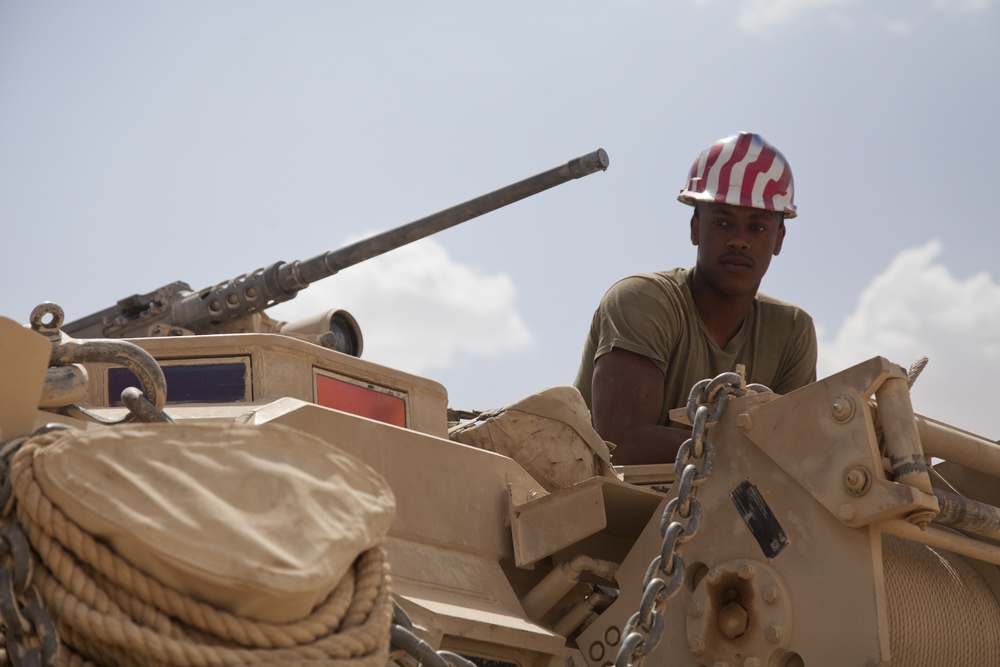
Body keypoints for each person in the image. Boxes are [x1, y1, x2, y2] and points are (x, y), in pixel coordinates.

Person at [573, 131, 817, 465]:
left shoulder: (791, 332)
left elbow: (795, 453)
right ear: (694, 228)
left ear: (779, 239)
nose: (739, 241)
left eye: (757, 227)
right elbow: (620, 442)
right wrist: (747, 451)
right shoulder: (642, 302)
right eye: (722, 222)